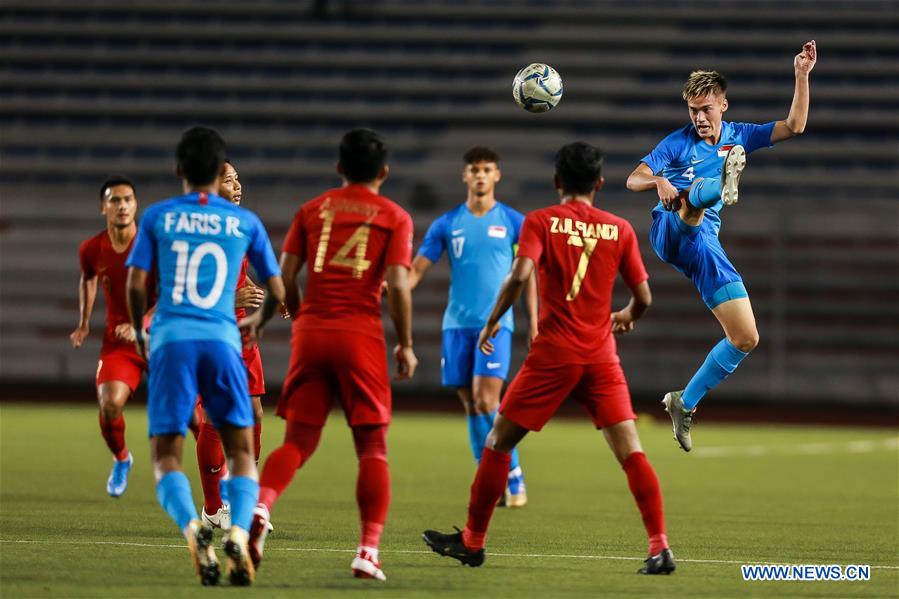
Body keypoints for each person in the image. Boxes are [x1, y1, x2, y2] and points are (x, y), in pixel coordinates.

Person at [423, 142, 675, 575]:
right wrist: (626, 315)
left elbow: (520, 275)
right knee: (631, 450)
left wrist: (492, 322)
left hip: (553, 354)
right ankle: (660, 547)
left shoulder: (541, 221)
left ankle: (473, 540)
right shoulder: (620, 228)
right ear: (598, 183)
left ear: (557, 182)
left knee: (498, 442)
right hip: (600, 357)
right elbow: (645, 297)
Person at [625, 41, 817, 451]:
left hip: (705, 247)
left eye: (706, 109)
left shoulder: (740, 135)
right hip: (670, 229)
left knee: (746, 336)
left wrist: (801, 75)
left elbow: (795, 126)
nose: (699, 117)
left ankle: (684, 401)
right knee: (692, 200)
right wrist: (658, 180)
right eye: (693, 110)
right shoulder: (676, 143)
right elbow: (632, 179)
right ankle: (715, 189)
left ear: (723, 106)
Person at [248, 128, 416, 582]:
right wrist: (405, 342)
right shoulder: (395, 216)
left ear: (338, 168)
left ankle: (260, 507)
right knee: (372, 449)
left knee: (298, 443)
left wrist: (271, 319)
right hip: (359, 335)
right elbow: (399, 284)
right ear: (384, 171)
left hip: (311, 333)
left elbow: (282, 277)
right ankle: (368, 551)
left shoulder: (311, 210)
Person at [126, 126, 285, 586]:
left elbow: (137, 284)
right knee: (242, 448)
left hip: (173, 339)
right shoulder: (244, 223)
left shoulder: (157, 217)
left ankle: (194, 526)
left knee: (165, 456)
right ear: (220, 173)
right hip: (223, 342)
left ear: (179, 170)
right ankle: (236, 528)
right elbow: (275, 289)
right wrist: (259, 321)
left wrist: (139, 331)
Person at [410, 147, 536, 506]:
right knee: (470, 404)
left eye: (487, 170)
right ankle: (490, 479)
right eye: (474, 170)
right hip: (456, 325)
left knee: (486, 400)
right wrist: (397, 283)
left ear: (497, 175)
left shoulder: (514, 222)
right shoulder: (447, 224)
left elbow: (529, 276)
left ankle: (512, 475)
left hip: (496, 324)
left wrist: (534, 321)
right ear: (464, 176)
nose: (480, 175)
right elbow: (418, 269)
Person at [71, 176, 158, 498]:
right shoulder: (92, 248)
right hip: (119, 344)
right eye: (114, 200)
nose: (122, 206)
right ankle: (122, 458)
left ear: (136, 205)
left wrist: (143, 321)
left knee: (194, 416)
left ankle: (218, 487)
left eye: (128, 199)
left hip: (159, 339)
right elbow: (88, 279)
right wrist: (84, 323)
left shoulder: (151, 246)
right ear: (102, 207)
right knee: (109, 405)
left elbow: (169, 293)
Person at [195, 159, 270, 531]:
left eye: (239, 178)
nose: (237, 185)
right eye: (229, 179)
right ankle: (213, 508)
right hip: (213, 333)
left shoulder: (239, 224)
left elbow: (239, 277)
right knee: (215, 418)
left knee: (254, 415)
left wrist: (261, 294)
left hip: (243, 334)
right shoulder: (202, 228)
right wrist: (234, 298)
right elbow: (193, 290)